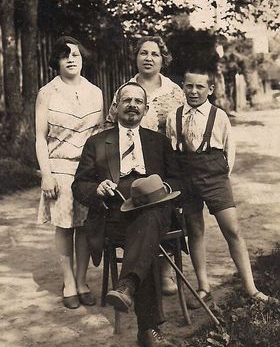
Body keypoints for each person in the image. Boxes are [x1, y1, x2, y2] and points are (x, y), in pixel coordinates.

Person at [72, 82, 181, 347]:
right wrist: (97, 188)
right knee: (145, 238)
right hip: (114, 211)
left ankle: (127, 286)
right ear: (115, 107)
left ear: (146, 108)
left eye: (138, 101)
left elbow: (180, 181)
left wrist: (161, 189)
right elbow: (79, 185)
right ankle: (148, 331)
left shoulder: (159, 142)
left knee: (147, 220)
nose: (132, 105)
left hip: (154, 207)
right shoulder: (97, 143)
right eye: (126, 100)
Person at [166, 68, 273, 308]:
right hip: (186, 177)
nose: (194, 91)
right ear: (183, 86)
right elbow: (173, 147)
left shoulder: (220, 116)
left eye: (200, 87)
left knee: (232, 229)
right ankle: (204, 286)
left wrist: (221, 175)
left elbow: (229, 149)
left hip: (214, 176)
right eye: (189, 86)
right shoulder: (175, 116)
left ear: (210, 90)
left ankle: (251, 288)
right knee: (194, 230)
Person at [106, 35, 185, 294]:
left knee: (160, 205)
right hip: (130, 165)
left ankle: (162, 270)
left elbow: (183, 131)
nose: (148, 58)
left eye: (154, 54)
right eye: (143, 53)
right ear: (136, 57)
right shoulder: (125, 89)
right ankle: (139, 277)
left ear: (163, 59)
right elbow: (110, 128)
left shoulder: (174, 92)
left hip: (163, 163)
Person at [35, 36, 103, 309]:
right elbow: (40, 138)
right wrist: (46, 174)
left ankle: (83, 280)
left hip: (87, 170)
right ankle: (68, 282)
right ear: (57, 62)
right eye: (65, 56)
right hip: (59, 167)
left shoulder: (95, 92)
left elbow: (98, 135)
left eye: (76, 54)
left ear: (82, 59)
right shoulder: (47, 92)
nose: (72, 59)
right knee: (64, 227)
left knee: (85, 227)